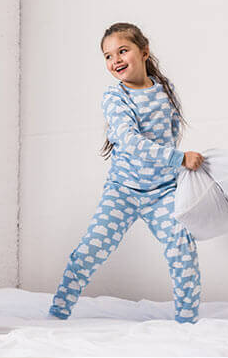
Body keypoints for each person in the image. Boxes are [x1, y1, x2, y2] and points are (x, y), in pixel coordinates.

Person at [48, 23, 204, 324]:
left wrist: (177, 168)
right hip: (123, 191)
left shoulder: (165, 92)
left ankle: (188, 321)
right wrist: (179, 158)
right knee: (92, 247)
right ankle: (58, 311)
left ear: (144, 52)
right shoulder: (114, 98)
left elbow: (171, 136)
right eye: (108, 56)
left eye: (122, 51)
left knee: (181, 242)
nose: (115, 60)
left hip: (162, 192)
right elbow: (131, 143)